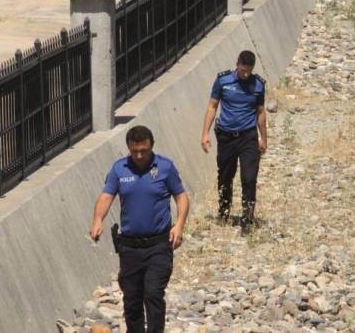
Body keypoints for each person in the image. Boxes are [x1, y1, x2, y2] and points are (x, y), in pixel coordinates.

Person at [89, 125, 189, 333]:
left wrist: (179, 225)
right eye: (135, 151)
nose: (140, 155)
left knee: (153, 293)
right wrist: (98, 220)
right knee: (132, 299)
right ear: (128, 147)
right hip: (130, 247)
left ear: (152, 145)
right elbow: (106, 196)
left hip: (159, 245)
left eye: (144, 150)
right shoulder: (119, 169)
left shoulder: (165, 167)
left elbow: (181, 197)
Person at [200, 50, 267, 235]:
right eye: (243, 69)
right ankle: (224, 211)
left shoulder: (258, 85)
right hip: (226, 137)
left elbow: (260, 113)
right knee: (225, 176)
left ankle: (247, 219)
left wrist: (264, 138)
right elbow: (212, 107)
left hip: (248, 137)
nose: (245, 74)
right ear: (237, 63)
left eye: (249, 71)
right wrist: (205, 133)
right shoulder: (223, 81)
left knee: (249, 178)